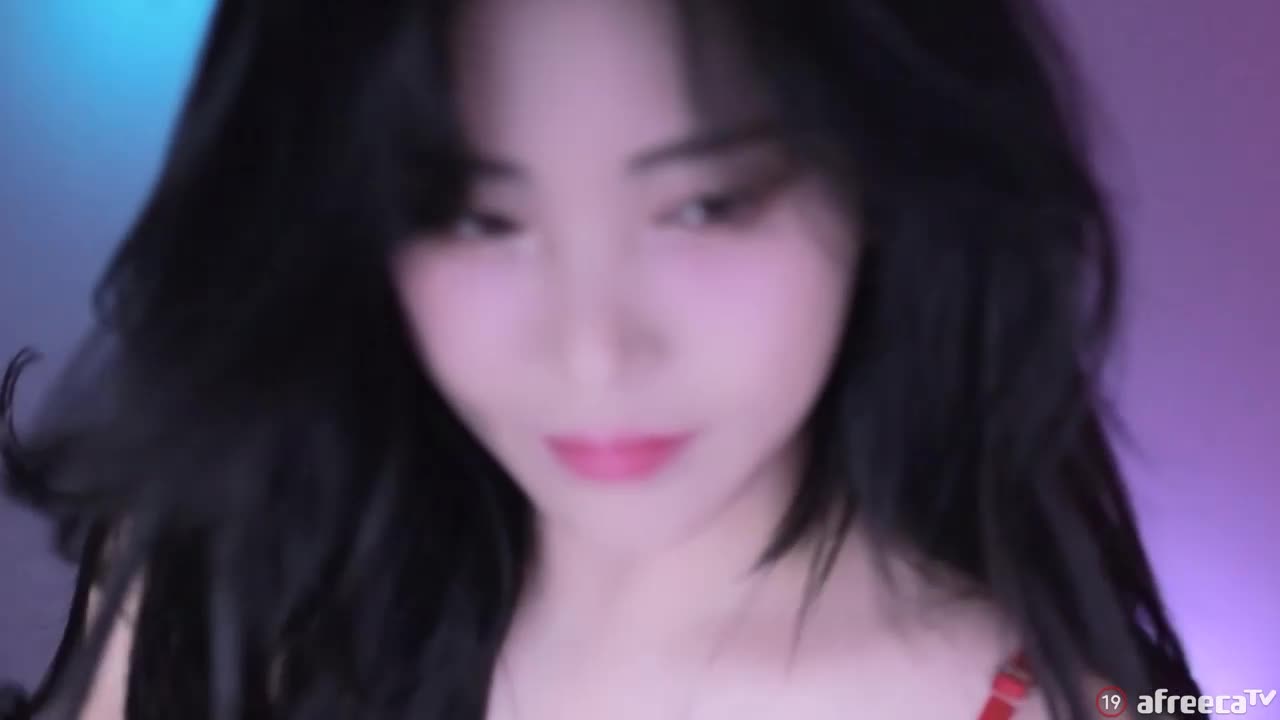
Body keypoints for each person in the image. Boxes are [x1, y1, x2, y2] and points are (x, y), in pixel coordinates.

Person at [0, 0, 1205, 718]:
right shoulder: (221, 580)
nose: (592, 353)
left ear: (884, 177)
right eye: (477, 217)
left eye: (704, 207)